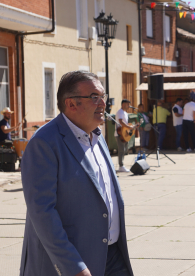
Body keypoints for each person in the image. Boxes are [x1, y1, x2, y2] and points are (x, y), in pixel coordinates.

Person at [20, 71, 133, 276]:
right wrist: (74, 266)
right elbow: (43, 213)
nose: (102, 104)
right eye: (94, 97)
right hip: (75, 262)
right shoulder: (44, 143)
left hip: (113, 255)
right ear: (71, 104)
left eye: (103, 97)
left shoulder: (98, 138)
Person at [115, 99, 136, 172]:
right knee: (121, 150)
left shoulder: (125, 113)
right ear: (123, 104)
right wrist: (129, 127)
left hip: (124, 134)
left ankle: (122, 165)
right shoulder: (120, 112)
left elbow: (126, 125)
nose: (129, 106)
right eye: (128, 104)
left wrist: (132, 127)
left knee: (124, 150)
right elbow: (121, 122)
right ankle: (121, 166)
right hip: (119, 134)